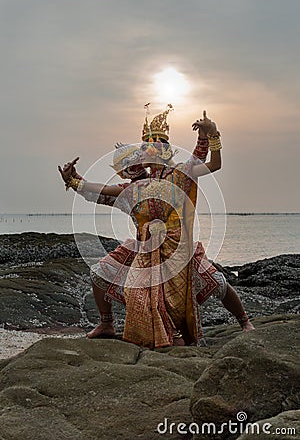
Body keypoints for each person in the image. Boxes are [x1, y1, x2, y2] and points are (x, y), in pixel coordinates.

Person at [59, 107, 254, 348]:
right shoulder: (134, 189)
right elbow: (99, 193)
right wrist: (74, 180)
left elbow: (213, 163)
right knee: (99, 273)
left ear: (166, 150)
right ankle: (107, 323)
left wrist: (210, 135)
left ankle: (244, 321)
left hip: (179, 250)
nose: (151, 148)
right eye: (147, 144)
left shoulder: (181, 174)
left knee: (217, 282)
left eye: (158, 143)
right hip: (144, 252)